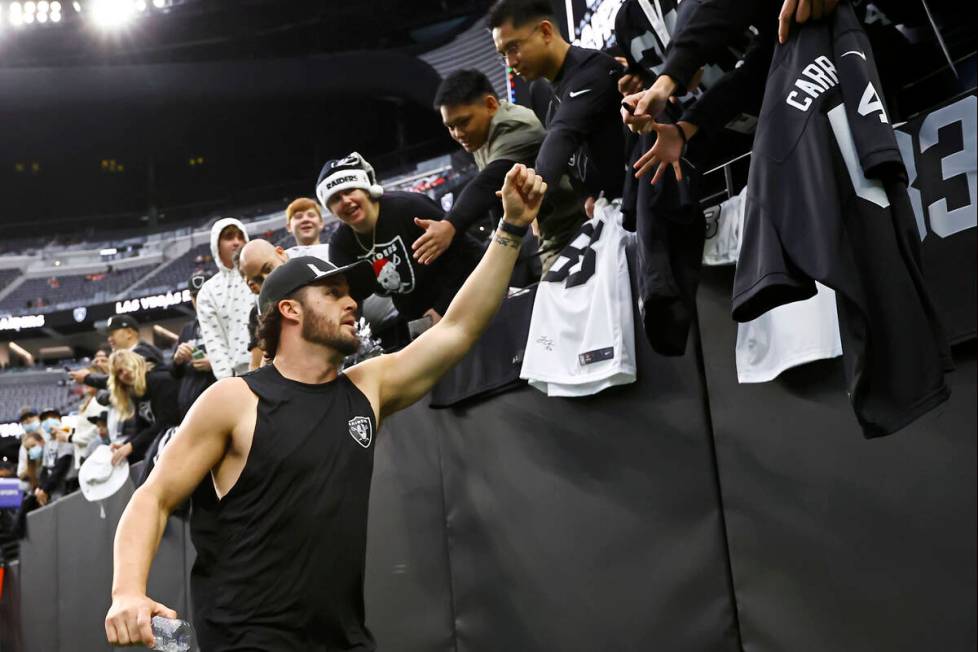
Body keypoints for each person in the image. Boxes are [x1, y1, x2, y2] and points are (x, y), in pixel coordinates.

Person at [105, 164, 547, 650]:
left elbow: (458, 329)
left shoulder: (367, 387)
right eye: (333, 293)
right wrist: (127, 591)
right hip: (247, 641)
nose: (351, 302)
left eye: (351, 293)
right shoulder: (235, 399)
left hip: (345, 640)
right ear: (290, 310)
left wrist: (510, 229)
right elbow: (154, 497)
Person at [433, 68, 583, 272]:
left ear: (490, 105)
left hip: (576, 225)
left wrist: (449, 224)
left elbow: (489, 181)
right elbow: (497, 197)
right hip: (551, 231)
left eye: (463, 122)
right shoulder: (479, 134)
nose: (458, 134)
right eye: (450, 127)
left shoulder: (514, 125)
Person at [489, 0, 626, 207]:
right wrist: (585, 197)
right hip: (609, 208)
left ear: (545, 32)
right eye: (503, 55)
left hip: (646, 196)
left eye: (513, 48)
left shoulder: (592, 70)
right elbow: (570, 159)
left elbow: (563, 134)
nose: (510, 63)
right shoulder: (540, 92)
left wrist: (529, 193)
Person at [323, 151, 483, 327]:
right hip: (417, 318)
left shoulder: (408, 207)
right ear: (331, 210)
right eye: (336, 198)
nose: (345, 201)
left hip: (463, 296)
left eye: (349, 190)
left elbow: (471, 253)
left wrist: (442, 307)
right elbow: (345, 297)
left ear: (367, 190)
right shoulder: (340, 244)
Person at [195, 218, 254, 379]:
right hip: (242, 374)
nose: (236, 242)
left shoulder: (259, 271)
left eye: (240, 237)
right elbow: (215, 342)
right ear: (216, 245)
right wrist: (227, 381)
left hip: (278, 363)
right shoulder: (208, 291)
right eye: (229, 238)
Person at [106, 350, 182, 468]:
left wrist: (132, 445)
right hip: (165, 443)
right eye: (119, 373)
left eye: (126, 365)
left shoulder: (160, 379)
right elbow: (141, 427)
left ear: (136, 363)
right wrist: (124, 445)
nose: (124, 373)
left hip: (180, 440)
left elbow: (167, 421)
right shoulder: (138, 390)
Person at [68, 315, 164, 389]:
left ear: (129, 333)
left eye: (112, 334)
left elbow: (124, 382)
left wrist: (87, 378)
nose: (109, 339)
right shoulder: (136, 353)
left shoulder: (143, 353)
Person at [170, 271, 217, 419]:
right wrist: (177, 360)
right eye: (195, 296)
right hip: (189, 407)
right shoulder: (188, 329)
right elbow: (174, 373)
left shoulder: (225, 323)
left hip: (217, 403)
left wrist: (214, 364)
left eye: (204, 293)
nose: (200, 299)